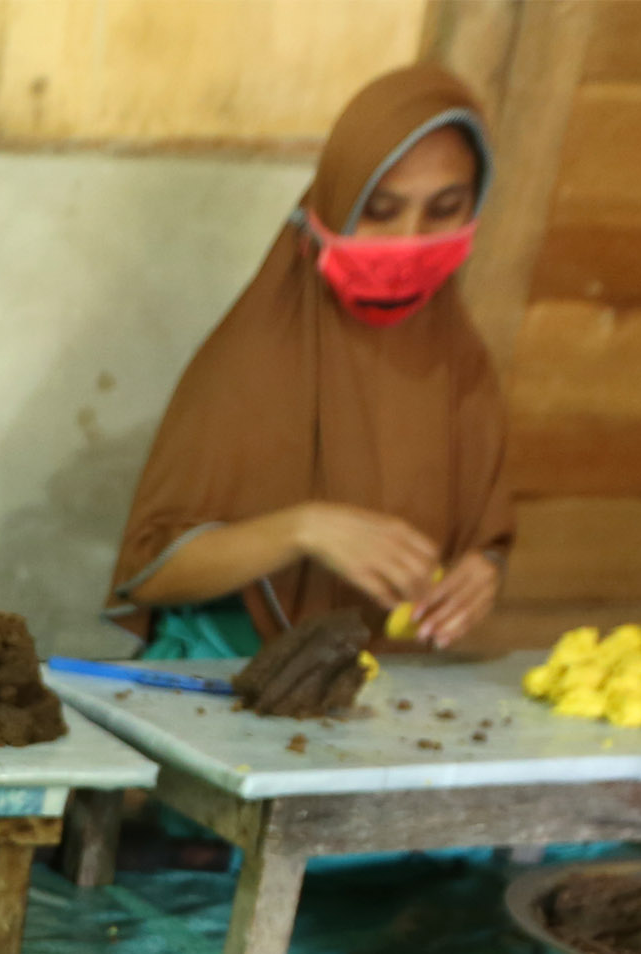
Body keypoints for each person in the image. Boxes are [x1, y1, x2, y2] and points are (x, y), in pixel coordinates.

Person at [113, 65, 512, 662]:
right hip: (226, 682)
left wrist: (481, 572)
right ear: (335, 205)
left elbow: (483, 536)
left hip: (379, 686)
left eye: (445, 208)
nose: (409, 239)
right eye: (380, 210)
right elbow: (150, 572)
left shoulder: (462, 363)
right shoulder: (256, 357)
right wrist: (302, 529)